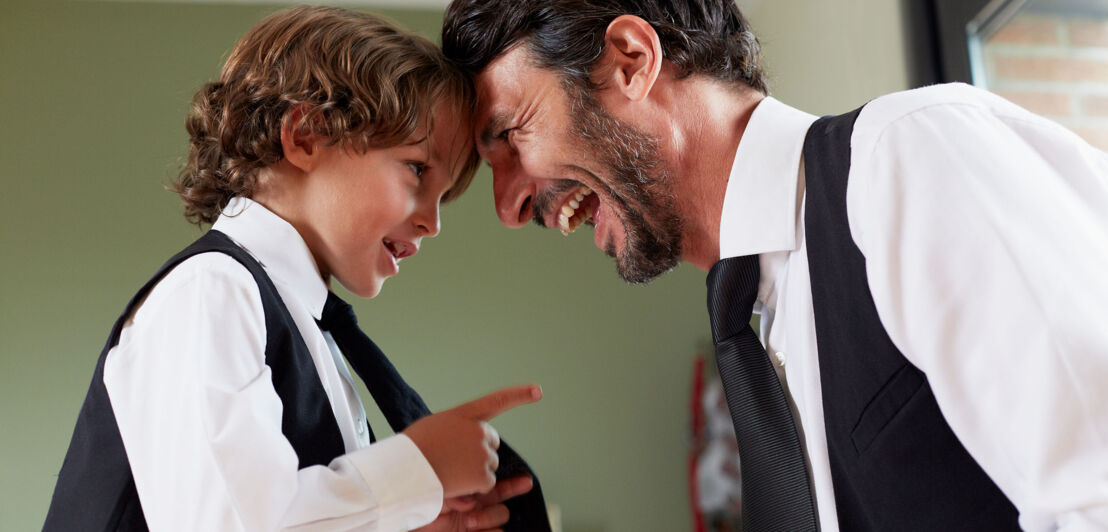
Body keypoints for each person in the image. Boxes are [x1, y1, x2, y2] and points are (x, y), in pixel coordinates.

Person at [441, 0, 1108, 530]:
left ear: (630, 60)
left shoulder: (905, 157)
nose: (509, 205)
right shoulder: (759, 320)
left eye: (508, 133)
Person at [44, 6, 551, 531]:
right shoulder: (211, 292)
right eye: (416, 170)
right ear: (306, 136)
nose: (432, 223)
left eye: (443, 197)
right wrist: (415, 469)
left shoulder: (302, 325)